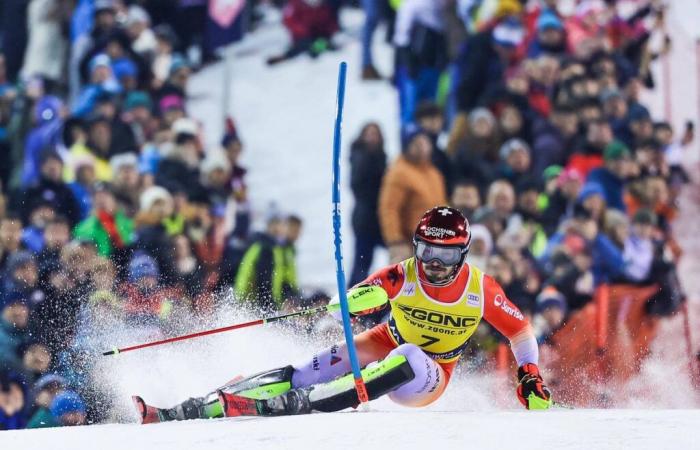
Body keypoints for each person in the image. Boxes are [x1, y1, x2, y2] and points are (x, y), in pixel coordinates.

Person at [133, 207, 552, 423]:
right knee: (308, 368)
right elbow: (365, 293)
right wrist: (344, 303)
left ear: (462, 253)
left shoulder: (482, 290)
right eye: (426, 252)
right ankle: (204, 404)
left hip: (430, 374)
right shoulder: (402, 274)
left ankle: (300, 406)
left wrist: (529, 373)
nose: (434, 265)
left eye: (444, 256)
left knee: (408, 358)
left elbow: (520, 331)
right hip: (386, 340)